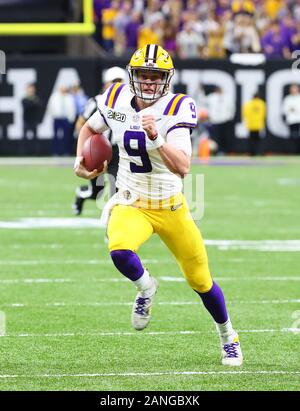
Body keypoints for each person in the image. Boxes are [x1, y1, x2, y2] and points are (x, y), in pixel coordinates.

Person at [74, 44, 243, 366]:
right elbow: (89, 128)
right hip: (131, 199)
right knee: (120, 250)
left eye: (156, 77)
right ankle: (146, 287)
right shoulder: (114, 99)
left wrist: (156, 137)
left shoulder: (178, 107)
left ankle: (228, 336)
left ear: (167, 79)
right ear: (131, 75)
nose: (149, 82)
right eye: (143, 75)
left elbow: (183, 167)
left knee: (200, 281)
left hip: (170, 205)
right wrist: (80, 159)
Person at [72, 66, 127, 215]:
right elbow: (80, 124)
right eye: (113, 81)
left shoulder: (128, 103)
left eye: (119, 81)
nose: (117, 85)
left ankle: (112, 230)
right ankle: (81, 194)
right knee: (97, 193)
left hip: (117, 151)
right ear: (105, 83)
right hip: (97, 151)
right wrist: (86, 147)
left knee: (118, 190)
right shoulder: (96, 102)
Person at [47, 86, 76, 156]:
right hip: (57, 118)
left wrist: (71, 118)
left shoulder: (69, 97)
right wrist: (52, 116)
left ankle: (66, 151)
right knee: (56, 136)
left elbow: (72, 108)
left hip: (66, 119)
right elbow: (50, 107)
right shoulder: (54, 96)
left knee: (66, 136)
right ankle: (56, 152)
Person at [206, 86, 235, 155]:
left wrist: (229, 117)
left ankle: (223, 151)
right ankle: (215, 152)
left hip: (224, 120)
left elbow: (231, 107)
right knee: (215, 138)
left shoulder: (227, 97)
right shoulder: (211, 97)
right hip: (214, 121)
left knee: (223, 137)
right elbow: (204, 104)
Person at [282, 84, 300, 154]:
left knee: (298, 136)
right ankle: (293, 151)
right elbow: (285, 109)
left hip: (298, 120)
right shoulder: (287, 98)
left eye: (295, 88)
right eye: (292, 88)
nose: (294, 90)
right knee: (292, 136)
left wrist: (294, 109)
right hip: (291, 120)